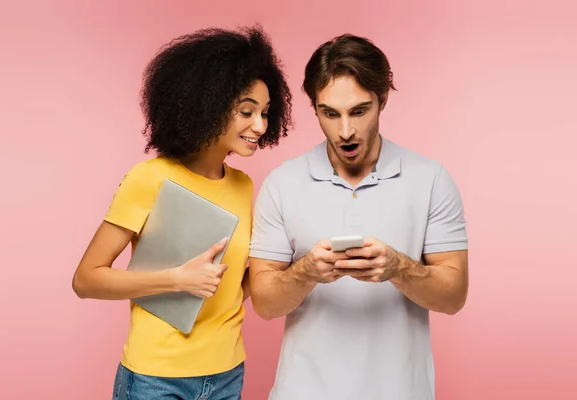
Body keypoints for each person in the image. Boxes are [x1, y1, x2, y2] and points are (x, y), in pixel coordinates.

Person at [72, 25, 292, 400]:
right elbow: (86, 280)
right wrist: (177, 279)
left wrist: (281, 263)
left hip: (226, 372)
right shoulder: (149, 178)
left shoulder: (243, 185)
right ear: (206, 103)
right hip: (156, 377)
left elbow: (230, 289)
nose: (259, 126)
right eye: (246, 111)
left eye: (266, 113)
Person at [249, 33, 469, 400]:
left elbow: (454, 297)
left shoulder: (431, 179)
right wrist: (306, 272)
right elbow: (264, 303)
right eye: (330, 114)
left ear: (382, 100)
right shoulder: (282, 184)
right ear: (314, 108)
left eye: (359, 111)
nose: (345, 131)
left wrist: (399, 267)